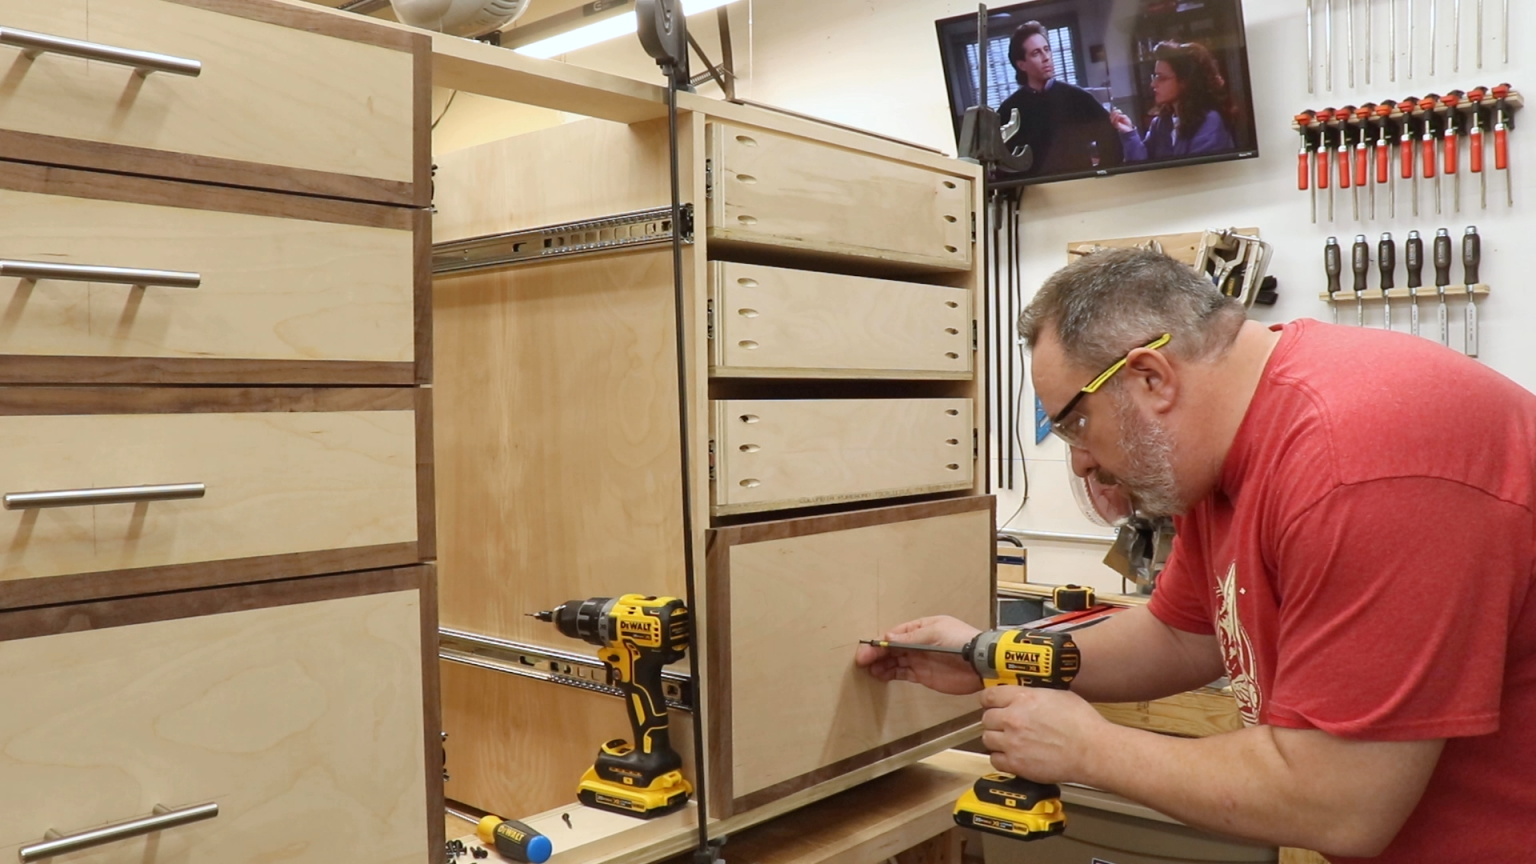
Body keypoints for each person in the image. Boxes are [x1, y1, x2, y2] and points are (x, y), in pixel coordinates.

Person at [856, 249, 1536, 863]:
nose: (1084, 460)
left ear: (1151, 377)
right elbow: (1178, 635)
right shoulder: (1224, 455)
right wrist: (988, 655)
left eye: (1074, 424)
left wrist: (1089, 748)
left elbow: (1340, 802)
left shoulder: (1359, 465)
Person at [995, 21, 1122, 177]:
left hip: (1081, 188)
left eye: (1047, 50)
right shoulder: (1009, 110)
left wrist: (1101, 175)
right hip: (1034, 194)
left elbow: (1111, 139)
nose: (1046, 57)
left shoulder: (1078, 98)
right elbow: (1002, 165)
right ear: (1022, 65)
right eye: (1036, 53)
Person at [1112, 41, 1237, 162]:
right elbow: (1142, 166)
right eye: (1155, 77)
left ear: (1184, 82)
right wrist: (1129, 133)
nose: (1153, 84)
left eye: (1162, 78)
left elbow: (1194, 176)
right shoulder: (1161, 123)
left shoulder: (1209, 121)